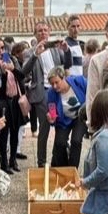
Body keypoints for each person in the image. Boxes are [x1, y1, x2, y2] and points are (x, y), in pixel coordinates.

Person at [23, 21, 72, 166]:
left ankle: (57, 159)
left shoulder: (55, 50)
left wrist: (67, 50)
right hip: (43, 93)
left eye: (45, 30)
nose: (43, 33)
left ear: (49, 32)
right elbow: (24, 71)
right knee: (45, 127)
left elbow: (68, 64)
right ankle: (41, 162)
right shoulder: (29, 52)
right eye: (40, 31)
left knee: (59, 124)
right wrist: (35, 54)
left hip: (57, 91)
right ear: (35, 34)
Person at [0, 37, 25, 174]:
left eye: (2, 48)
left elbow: (22, 76)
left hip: (15, 100)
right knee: (4, 134)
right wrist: (4, 75)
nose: (0, 51)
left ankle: (13, 160)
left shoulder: (10, 59)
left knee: (15, 131)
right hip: (3, 102)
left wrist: (13, 69)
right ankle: (4, 163)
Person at [46, 66, 88, 167]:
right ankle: (64, 168)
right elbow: (52, 113)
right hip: (64, 120)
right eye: (52, 84)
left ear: (63, 78)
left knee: (76, 141)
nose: (54, 86)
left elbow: (91, 92)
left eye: (57, 82)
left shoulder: (78, 81)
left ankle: (73, 169)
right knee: (59, 144)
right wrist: (51, 118)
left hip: (80, 117)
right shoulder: (51, 93)